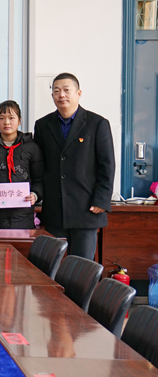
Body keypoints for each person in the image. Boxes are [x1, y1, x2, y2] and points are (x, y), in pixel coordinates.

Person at [34, 73, 115, 259]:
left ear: (78, 93)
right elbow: (39, 165)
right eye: (56, 91)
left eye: (66, 90)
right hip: (55, 209)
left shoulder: (97, 124)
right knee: (52, 265)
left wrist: (101, 200)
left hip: (86, 208)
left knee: (82, 266)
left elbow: (107, 165)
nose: (61, 95)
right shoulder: (43, 125)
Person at [0, 100, 44, 229]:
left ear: (19, 120)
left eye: (11, 118)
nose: (6, 122)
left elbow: (40, 180)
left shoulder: (31, 147)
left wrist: (35, 195)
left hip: (23, 218)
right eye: (1, 118)